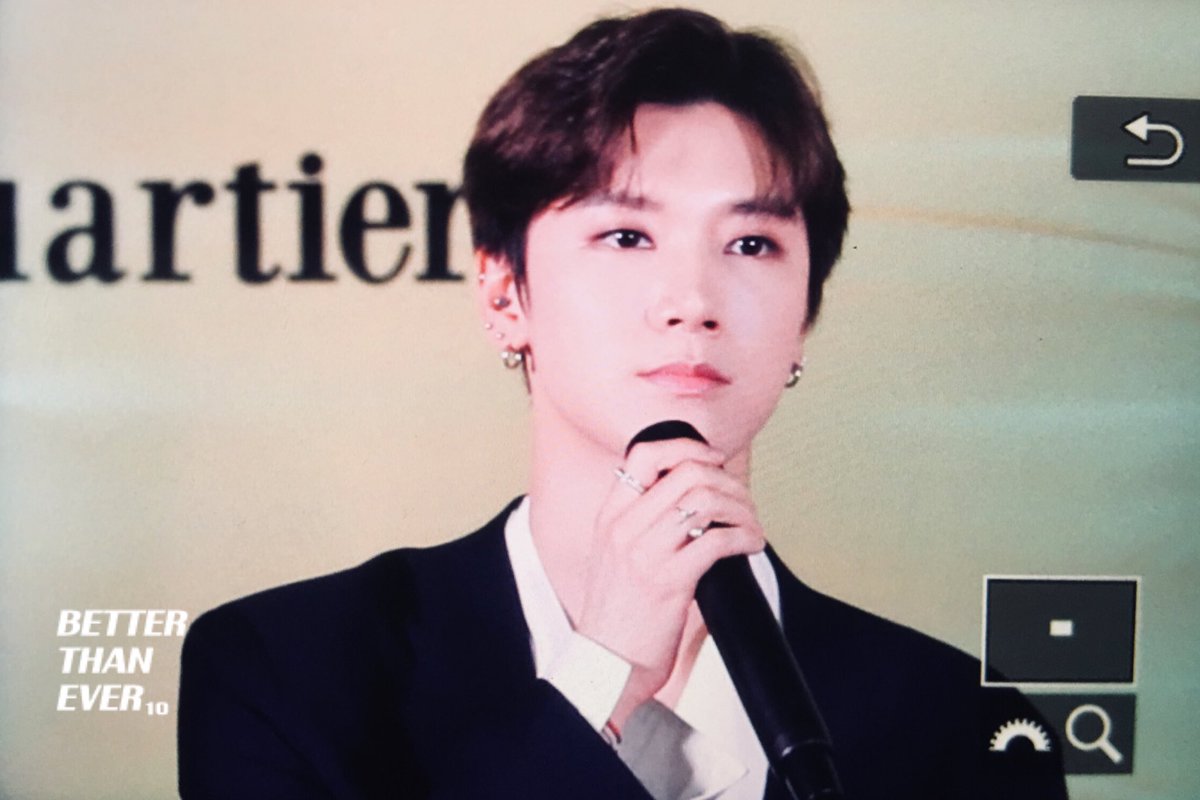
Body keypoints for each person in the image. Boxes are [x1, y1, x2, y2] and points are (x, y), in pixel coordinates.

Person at [177, 9, 1067, 799]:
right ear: (504, 293)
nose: (692, 300)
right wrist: (601, 672)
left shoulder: (964, 727)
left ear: (805, 315)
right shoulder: (285, 670)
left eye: (751, 243)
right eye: (627, 235)